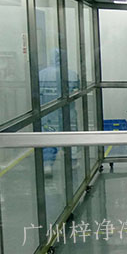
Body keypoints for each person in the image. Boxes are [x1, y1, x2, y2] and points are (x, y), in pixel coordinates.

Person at [39, 48, 79, 176]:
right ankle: (72, 162)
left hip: (47, 113)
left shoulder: (41, 74)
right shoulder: (71, 74)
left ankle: (47, 164)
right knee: (70, 136)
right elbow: (77, 92)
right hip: (67, 113)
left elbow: (36, 94)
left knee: (48, 137)